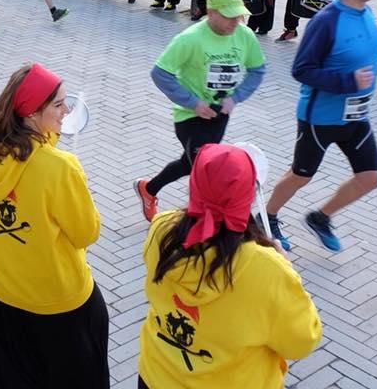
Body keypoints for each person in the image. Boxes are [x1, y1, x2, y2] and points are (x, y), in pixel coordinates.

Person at [138, 144, 321, 389]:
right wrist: (290, 273)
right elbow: (301, 342)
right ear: (248, 195)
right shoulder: (268, 269)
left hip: (157, 377)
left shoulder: (162, 228)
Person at [0, 63, 109, 389]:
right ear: (32, 112)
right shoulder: (59, 167)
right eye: (59, 104)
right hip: (59, 304)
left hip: (3, 296)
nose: (67, 111)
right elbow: (85, 233)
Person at [264, 0, 377, 252]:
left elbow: (352, 52)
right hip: (321, 117)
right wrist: (348, 81)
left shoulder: (365, 12)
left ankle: (320, 217)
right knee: (301, 174)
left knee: (370, 178)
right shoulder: (326, 20)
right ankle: (265, 218)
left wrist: (374, 64)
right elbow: (301, 69)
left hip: (356, 116)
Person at [135, 0, 265, 222]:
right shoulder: (190, 39)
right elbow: (160, 73)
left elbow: (257, 70)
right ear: (211, 12)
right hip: (190, 117)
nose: (235, 21)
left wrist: (235, 98)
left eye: (238, 15)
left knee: (189, 164)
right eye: (229, 16)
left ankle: (149, 188)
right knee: (205, 171)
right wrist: (194, 103)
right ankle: (200, 222)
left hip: (220, 115)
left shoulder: (244, 35)